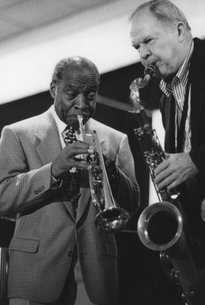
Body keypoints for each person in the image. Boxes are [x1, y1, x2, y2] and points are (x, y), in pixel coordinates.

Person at [0, 56, 140, 305]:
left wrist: (112, 173)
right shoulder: (17, 133)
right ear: (54, 88)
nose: (82, 104)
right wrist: (53, 170)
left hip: (94, 277)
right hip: (35, 275)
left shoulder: (115, 140)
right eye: (72, 93)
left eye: (91, 94)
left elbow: (131, 205)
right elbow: (3, 198)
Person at [129, 0, 205, 303]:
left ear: (180, 29)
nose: (143, 54)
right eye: (137, 47)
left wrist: (194, 161)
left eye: (148, 41)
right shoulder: (167, 97)